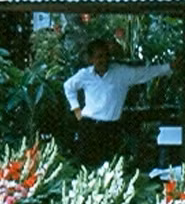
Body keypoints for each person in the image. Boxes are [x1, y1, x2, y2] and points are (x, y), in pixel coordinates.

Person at [63, 38, 176, 167]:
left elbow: (145, 73)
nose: (103, 60)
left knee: (110, 168)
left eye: (106, 56)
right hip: (89, 127)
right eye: (99, 57)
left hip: (111, 129)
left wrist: (169, 67)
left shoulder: (121, 73)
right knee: (86, 167)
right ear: (91, 59)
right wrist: (76, 109)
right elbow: (68, 87)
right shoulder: (84, 75)